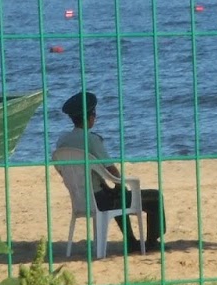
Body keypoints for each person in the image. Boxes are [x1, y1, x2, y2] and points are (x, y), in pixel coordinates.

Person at [55, 90, 165, 251]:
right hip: (100, 200)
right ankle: (152, 242)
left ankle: (131, 240)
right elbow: (112, 170)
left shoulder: (62, 141)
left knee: (117, 195)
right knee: (154, 197)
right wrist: (121, 185)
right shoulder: (91, 140)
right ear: (90, 117)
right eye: (94, 114)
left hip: (81, 198)